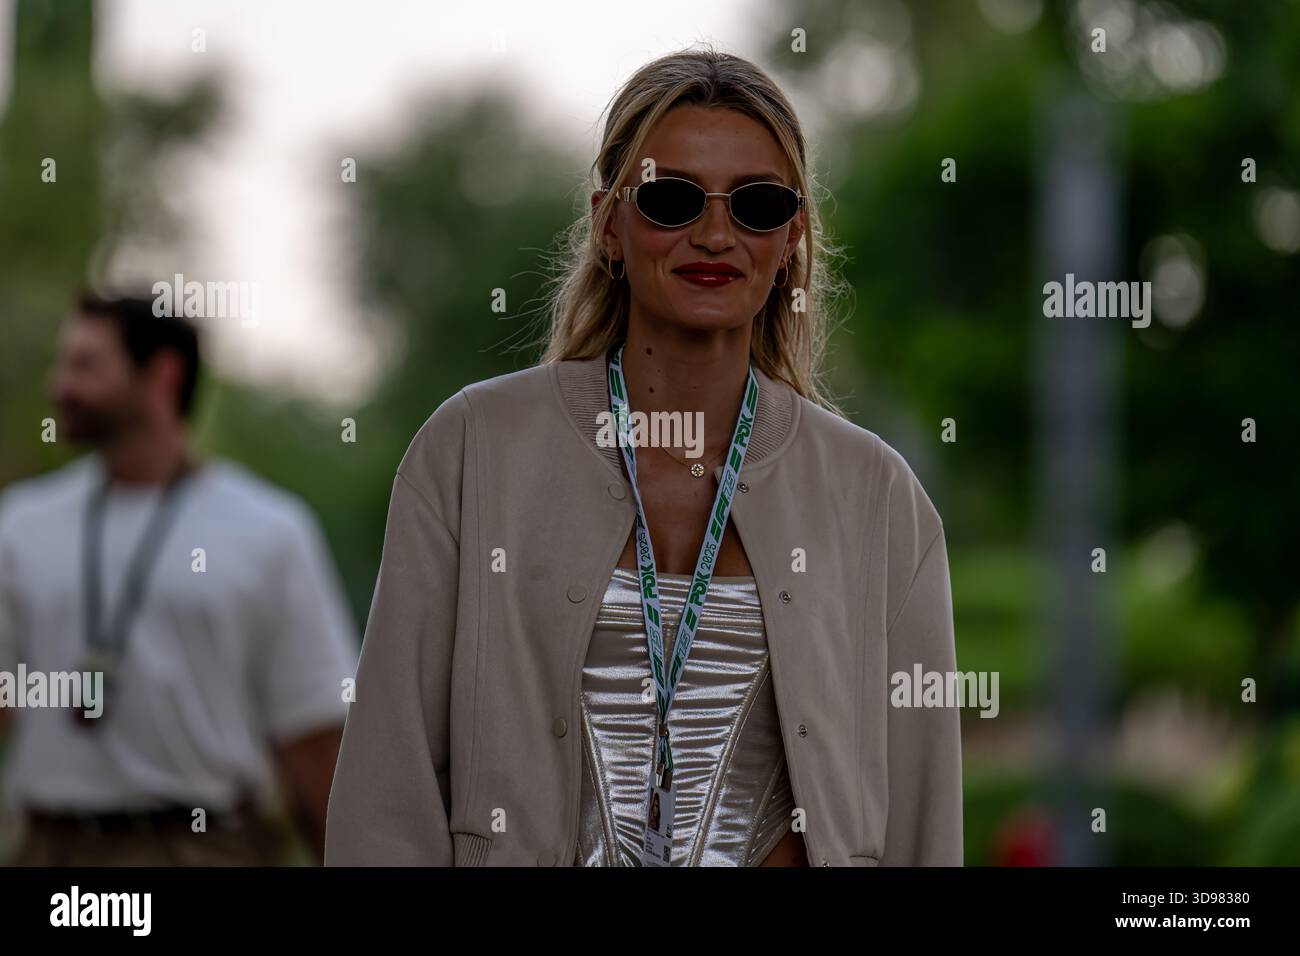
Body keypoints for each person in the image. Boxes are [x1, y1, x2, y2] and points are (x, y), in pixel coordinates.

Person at [325, 47, 960, 867]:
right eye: (671, 198)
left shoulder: (876, 496)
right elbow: (388, 789)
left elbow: (923, 822)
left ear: (793, 237)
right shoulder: (475, 448)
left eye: (759, 204)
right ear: (608, 223)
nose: (715, 233)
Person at [0, 293, 358, 865]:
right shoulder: (22, 523)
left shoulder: (268, 531)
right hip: (52, 851)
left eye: (85, 366)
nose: (58, 387)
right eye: (62, 363)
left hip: (205, 849)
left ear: (161, 375)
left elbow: (312, 736)